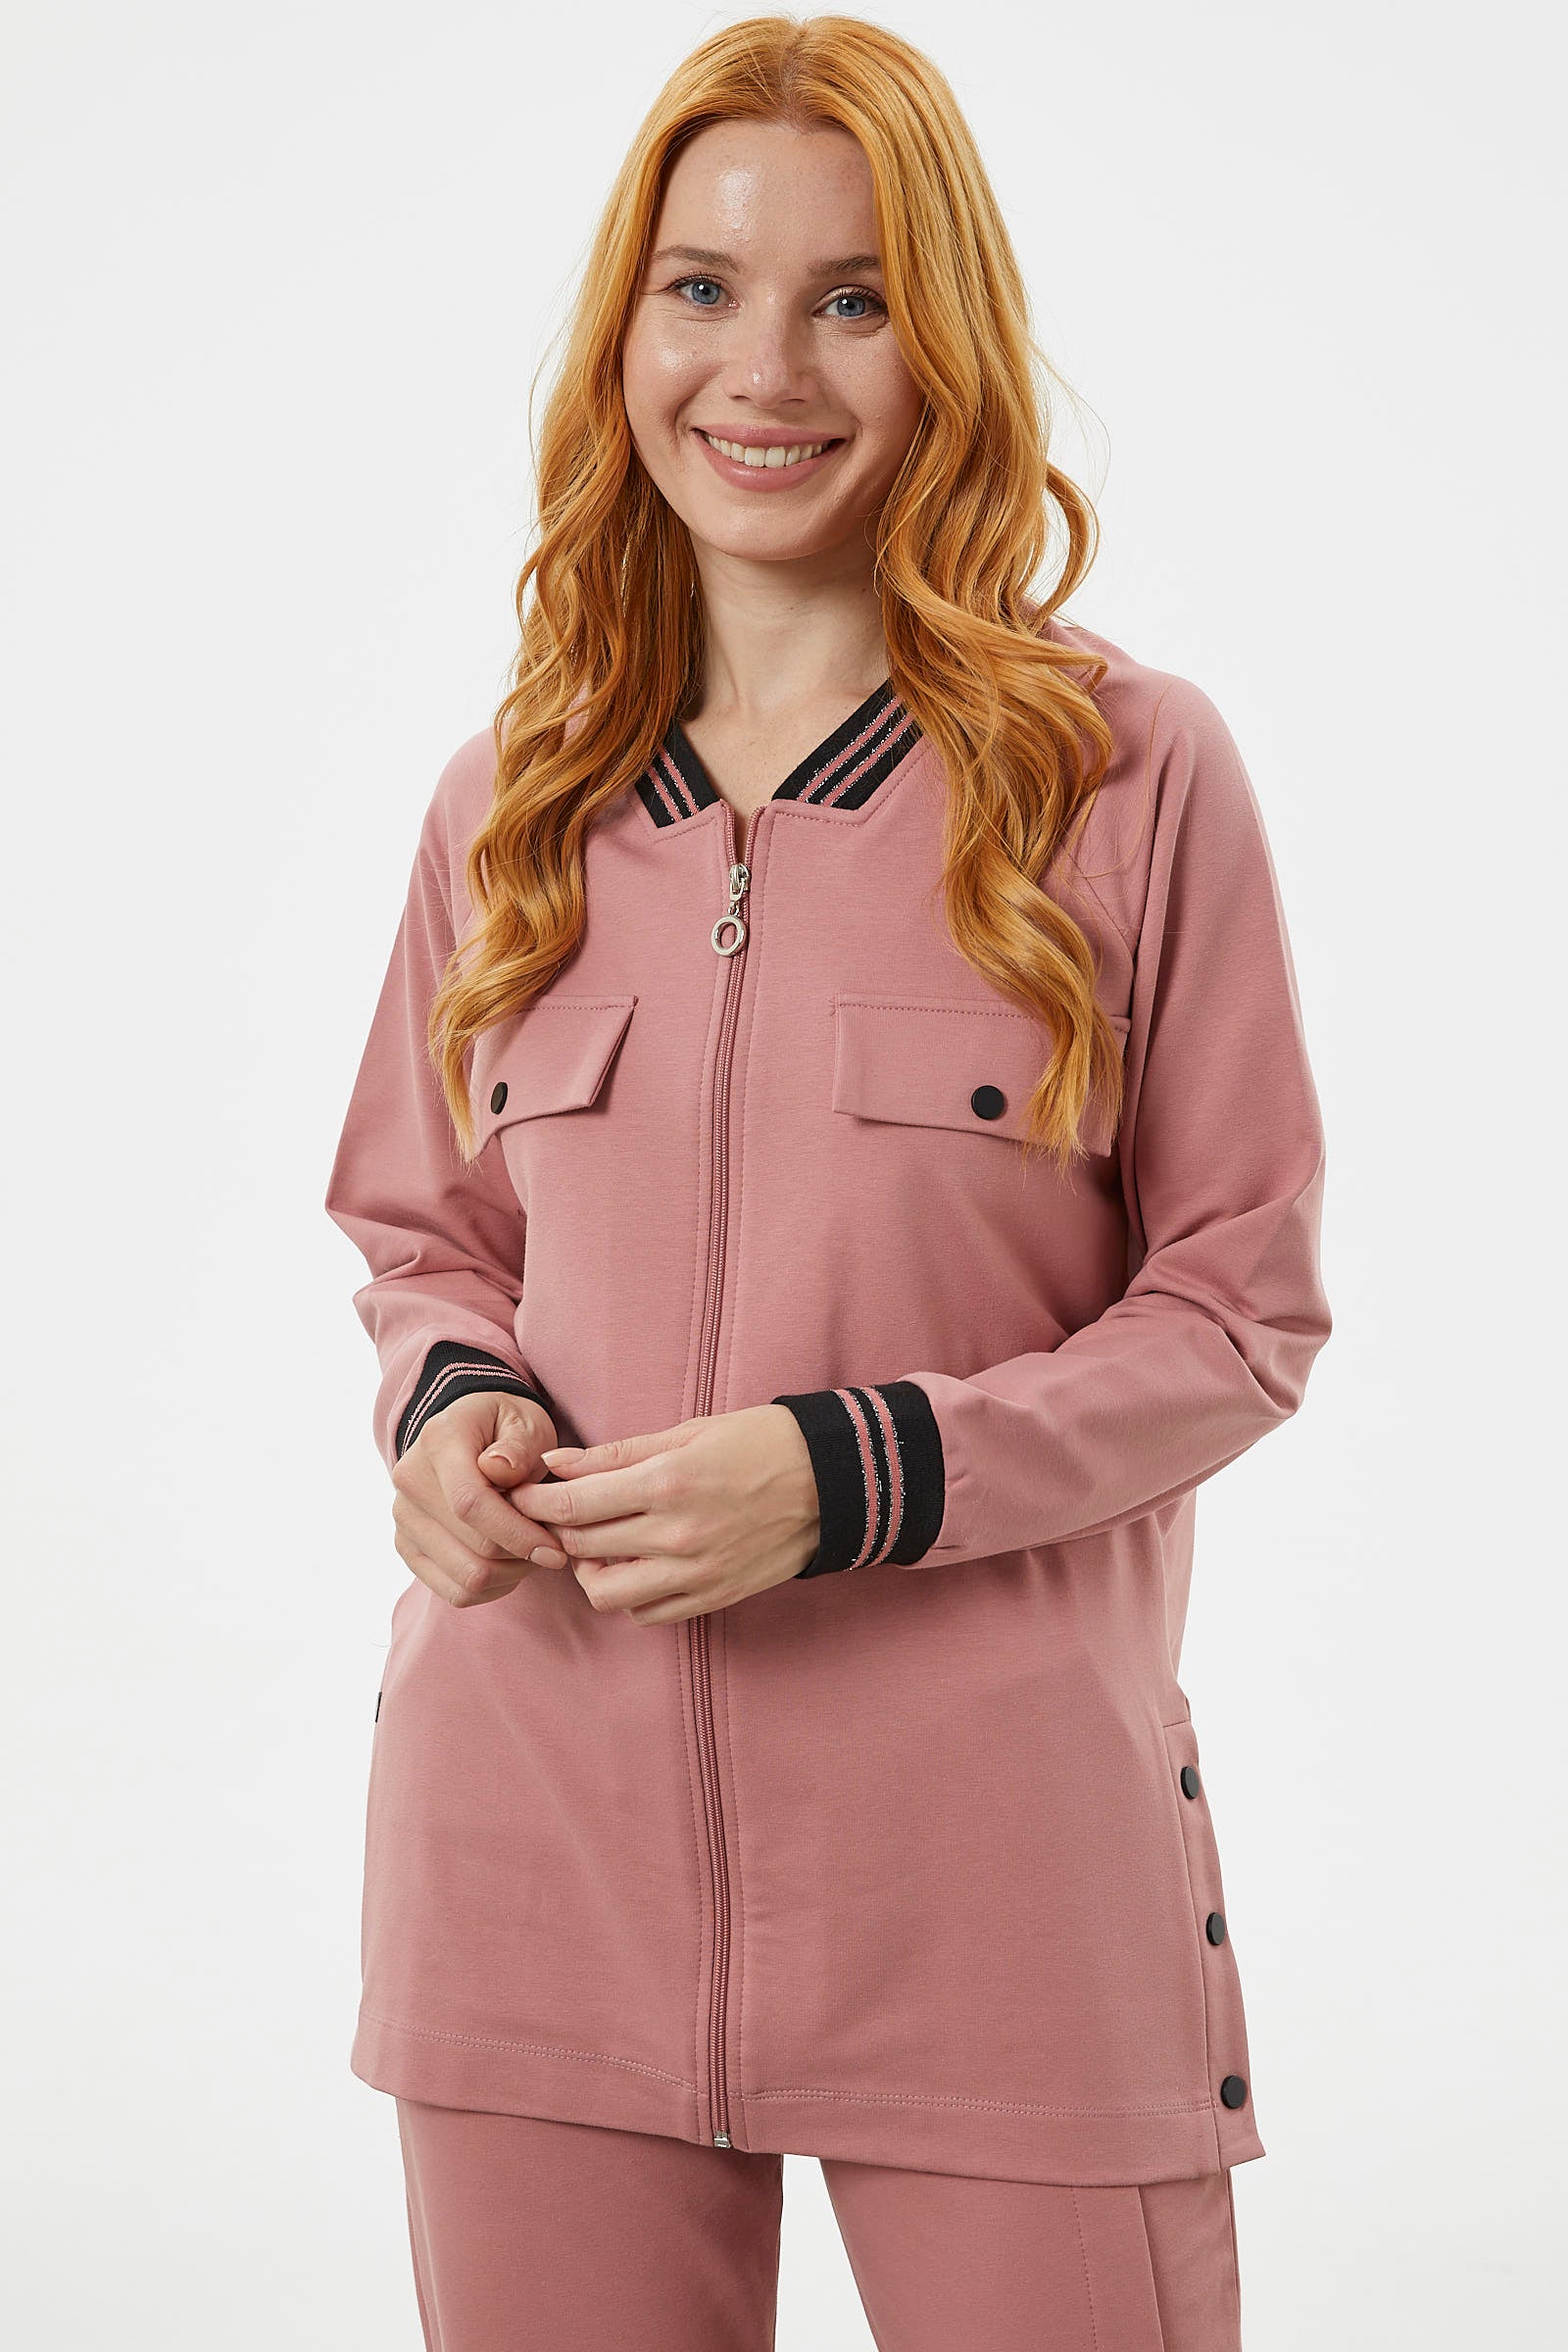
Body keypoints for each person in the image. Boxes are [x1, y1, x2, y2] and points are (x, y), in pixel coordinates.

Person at [322, 16, 1333, 2348]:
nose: (761, 369)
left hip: (996, 1880)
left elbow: (1238, 1307)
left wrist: (845, 1474)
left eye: (848, 298)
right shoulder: (512, 795)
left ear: (942, 341)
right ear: (623, 331)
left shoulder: (1123, 777)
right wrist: (446, 1411)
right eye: (700, 287)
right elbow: (420, 1230)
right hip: (525, 1851)